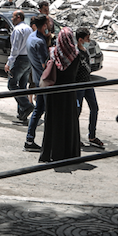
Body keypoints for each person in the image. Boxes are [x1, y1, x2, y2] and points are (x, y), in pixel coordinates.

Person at [40, 26, 82, 163]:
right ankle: (69, 153)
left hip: (54, 92)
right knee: (69, 122)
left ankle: (51, 153)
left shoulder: (53, 53)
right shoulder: (76, 54)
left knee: (53, 122)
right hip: (69, 92)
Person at [23, 15, 51, 152]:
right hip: (44, 81)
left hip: (37, 78)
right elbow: (46, 64)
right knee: (43, 110)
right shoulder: (39, 42)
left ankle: (29, 139)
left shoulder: (32, 37)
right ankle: (40, 141)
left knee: (39, 109)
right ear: (44, 26)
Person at [74, 27, 103, 148]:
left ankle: (92, 135)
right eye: (87, 38)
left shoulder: (85, 50)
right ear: (80, 39)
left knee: (94, 108)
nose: (89, 40)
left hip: (88, 84)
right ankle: (75, 137)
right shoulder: (76, 53)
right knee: (77, 111)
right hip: (79, 85)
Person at [5, 10, 34, 123]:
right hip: (28, 59)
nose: (12, 19)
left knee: (12, 84)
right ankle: (22, 115)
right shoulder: (29, 29)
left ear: (18, 17)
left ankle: (26, 106)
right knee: (22, 86)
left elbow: (15, 49)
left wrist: (9, 63)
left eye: (13, 17)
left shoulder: (18, 30)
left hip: (20, 60)